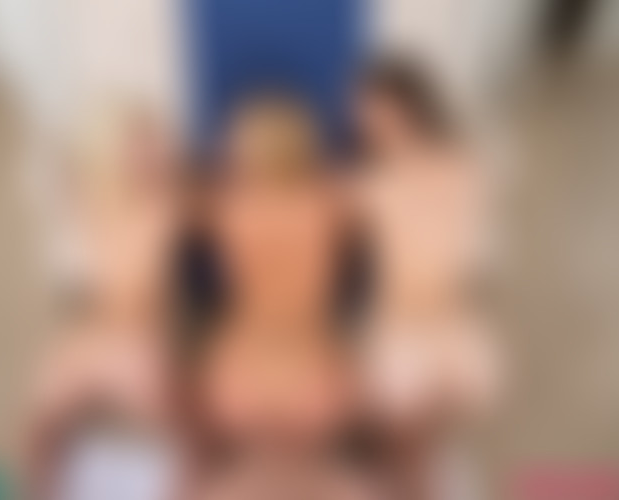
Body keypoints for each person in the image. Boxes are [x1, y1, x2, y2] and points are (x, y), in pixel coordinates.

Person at [188, 92, 380, 500]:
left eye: (234, 146)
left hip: (237, 374)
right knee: (307, 475)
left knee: (254, 475)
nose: (227, 153)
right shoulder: (336, 199)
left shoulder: (222, 203)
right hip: (318, 372)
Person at [350, 57, 502, 499]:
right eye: (363, 113)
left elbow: (468, 257)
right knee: (402, 455)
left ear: (410, 106)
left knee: (415, 456)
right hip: (397, 334)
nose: (368, 122)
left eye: (377, 110)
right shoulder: (369, 182)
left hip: (445, 336)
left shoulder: (461, 168)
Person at [25, 100, 187, 500]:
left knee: (169, 421)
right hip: (93, 331)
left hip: (142, 335)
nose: (147, 159)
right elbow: (58, 173)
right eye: (136, 148)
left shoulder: (171, 206)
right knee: (42, 416)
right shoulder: (96, 200)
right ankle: (47, 488)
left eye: (153, 149)